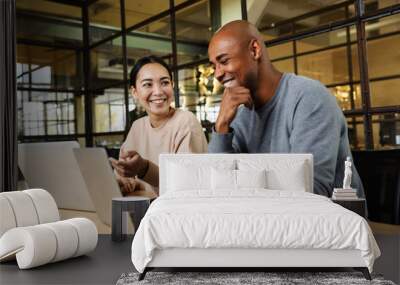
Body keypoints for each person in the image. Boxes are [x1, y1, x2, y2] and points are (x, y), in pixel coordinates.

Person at [207, 20, 364, 198]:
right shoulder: (240, 114)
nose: (218, 74)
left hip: (330, 221)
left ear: (255, 50)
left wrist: (245, 183)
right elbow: (219, 185)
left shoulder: (309, 98)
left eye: (224, 61)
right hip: (267, 217)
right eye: (214, 66)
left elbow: (312, 190)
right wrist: (221, 126)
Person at [110, 56, 208, 198]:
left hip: (177, 215)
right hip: (145, 211)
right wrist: (127, 183)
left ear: (172, 86)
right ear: (135, 92)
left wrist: (144, 169)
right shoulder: (137, 127)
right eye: (148, 84)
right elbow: (124, 176)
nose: (158, 91)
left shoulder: (186, 122)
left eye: (164, 83)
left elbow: (186, 187)